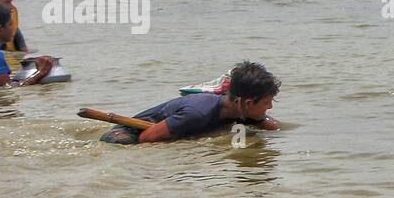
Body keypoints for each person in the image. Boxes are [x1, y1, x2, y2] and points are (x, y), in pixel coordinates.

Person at [100, 61, 282, 144]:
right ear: (248, 103)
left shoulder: (242, 112)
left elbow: (272, 126)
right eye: (267, 102)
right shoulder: (197, 113)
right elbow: (146, 139)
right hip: (127, 133)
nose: (270, 107)